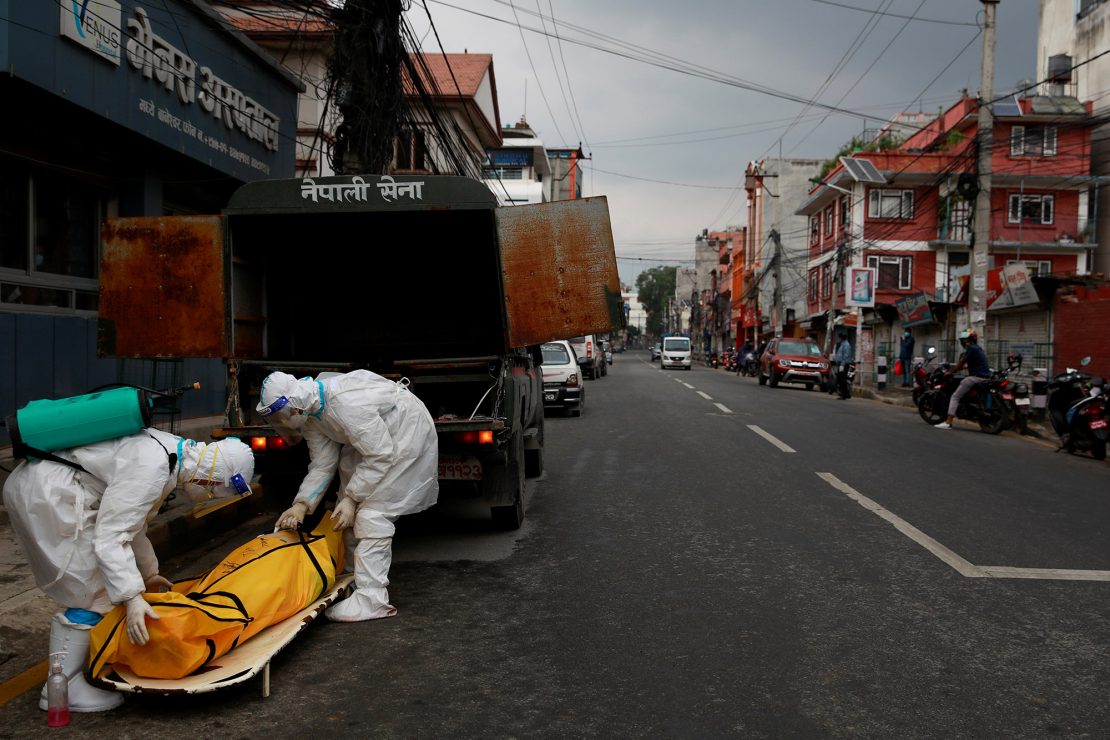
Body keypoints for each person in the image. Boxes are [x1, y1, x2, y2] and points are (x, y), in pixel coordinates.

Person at [2, 431, 255, 712]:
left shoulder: (170, 454)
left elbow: (133, 525)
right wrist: (132, 596)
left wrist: (148, 574)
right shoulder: (155, 469)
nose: (207, 493)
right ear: (216, 475)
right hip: (49, 494)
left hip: (46, 485)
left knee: (99, 585)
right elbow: (112, 536)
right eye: (213, 489)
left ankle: (70, 677)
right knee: (93, 592)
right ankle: (63, 687)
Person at [259, 369, 438, 622]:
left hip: (405, 432)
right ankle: (354, 580)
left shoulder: (346, 403)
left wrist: (353, 499)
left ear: (294, 407)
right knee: (345, 513)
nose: (284, 423)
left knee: (372, 512)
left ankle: (372, 598)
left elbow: (380, 454)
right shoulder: (311, 413)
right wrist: (301, 505)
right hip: (373, 439)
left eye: (282, 415)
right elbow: (323, 464)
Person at [935, 328, 992, 430]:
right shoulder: (977, 348)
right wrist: (964, 367)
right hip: (985, 377)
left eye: (963, 339)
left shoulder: (971, 348)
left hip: (976, 378)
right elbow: (970, 364)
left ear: (965, 340)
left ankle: (948, 422)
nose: (962, 341)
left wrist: (949, 372)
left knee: (955, 396)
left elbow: (960, 364)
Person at [834, 332, 853, 399]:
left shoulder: (846, 345)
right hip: (841, 364)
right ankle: (845, 393)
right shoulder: (842, 344)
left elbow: (846, 355)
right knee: (840, 378)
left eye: (839, 338)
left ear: (841, 338)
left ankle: (844, 394)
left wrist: (842, 364)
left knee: (842, 379)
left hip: (844, 364)